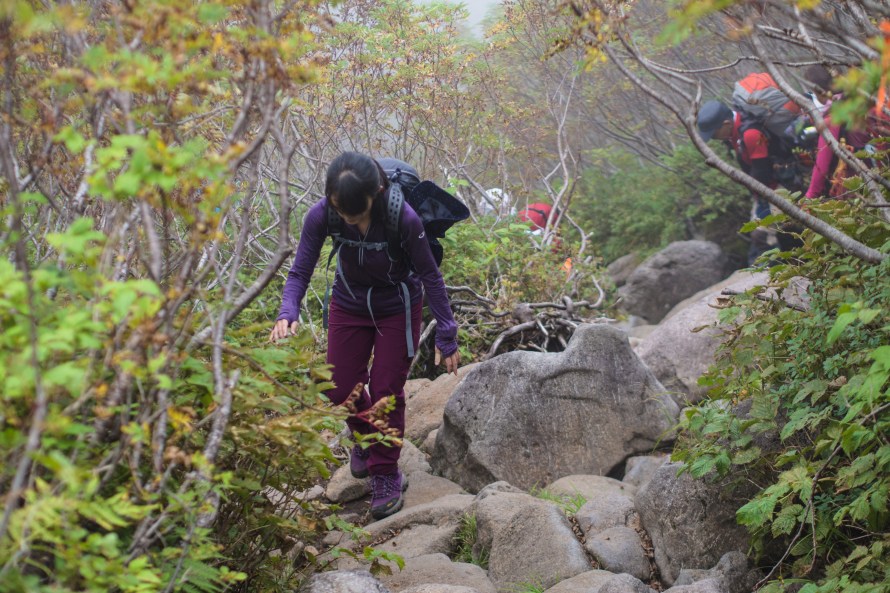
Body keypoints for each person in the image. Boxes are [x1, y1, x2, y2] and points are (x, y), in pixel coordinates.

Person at [269, 151, 460, 520]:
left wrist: (447, 334)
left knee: (387, 391)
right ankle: (365, 437)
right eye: (342, 214)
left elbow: (431, 276)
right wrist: (287, 310)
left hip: (397, 305)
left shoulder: (402, 217)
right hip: (349, 301)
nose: (347, 222)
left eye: (355, 216)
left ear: (377, 193)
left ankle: (386, 472)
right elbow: (299, 271)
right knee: (339, 386)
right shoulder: (322, 213)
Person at [698, 99, 800, 264]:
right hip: (764, 189)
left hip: (779, 187)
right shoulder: (735, 132)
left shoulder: (750, 133)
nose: (714, 138)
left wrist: (763, 205)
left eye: (714, 133)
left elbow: (762, 171)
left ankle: (778, 274)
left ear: (725, 123)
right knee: (774, 233)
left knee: (762, 235)